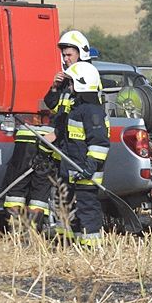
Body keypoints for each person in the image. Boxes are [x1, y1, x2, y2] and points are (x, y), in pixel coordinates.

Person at [0, 30, 90, 231]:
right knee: (27, 189)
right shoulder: (67, 79)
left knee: (42, 190)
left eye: (69, 55)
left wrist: (57, 135)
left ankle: (31, 235)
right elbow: (53, 104)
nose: (66, 59)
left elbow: (78, 116)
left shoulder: (85, 80)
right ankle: (21, 235)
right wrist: (55, 87)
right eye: (64, 55)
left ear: (81, 54)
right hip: (47, 142)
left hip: (59, 143)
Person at [59, 61, 110, 246]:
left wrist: (89, 168)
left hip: (87, 173)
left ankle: (91, 247)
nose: (69, 87)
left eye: (72, 83)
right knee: (73, 210)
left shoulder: (91, 111)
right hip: (74, 170)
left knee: (88, 210)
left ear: (81, 84)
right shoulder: (77, 108)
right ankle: (73, 246)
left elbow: (100, 143)